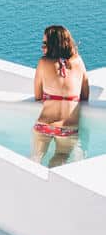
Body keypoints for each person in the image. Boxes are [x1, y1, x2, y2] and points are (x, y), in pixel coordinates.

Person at [32, 25, 89, 167]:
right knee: (60, 159)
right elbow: (85, 95)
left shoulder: (43, 62)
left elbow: (38, 96)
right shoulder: (79, 62)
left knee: (34, 160)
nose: (42, 47)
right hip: (67, 129)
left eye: (45, 43)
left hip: (43, 125)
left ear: (53, 44)